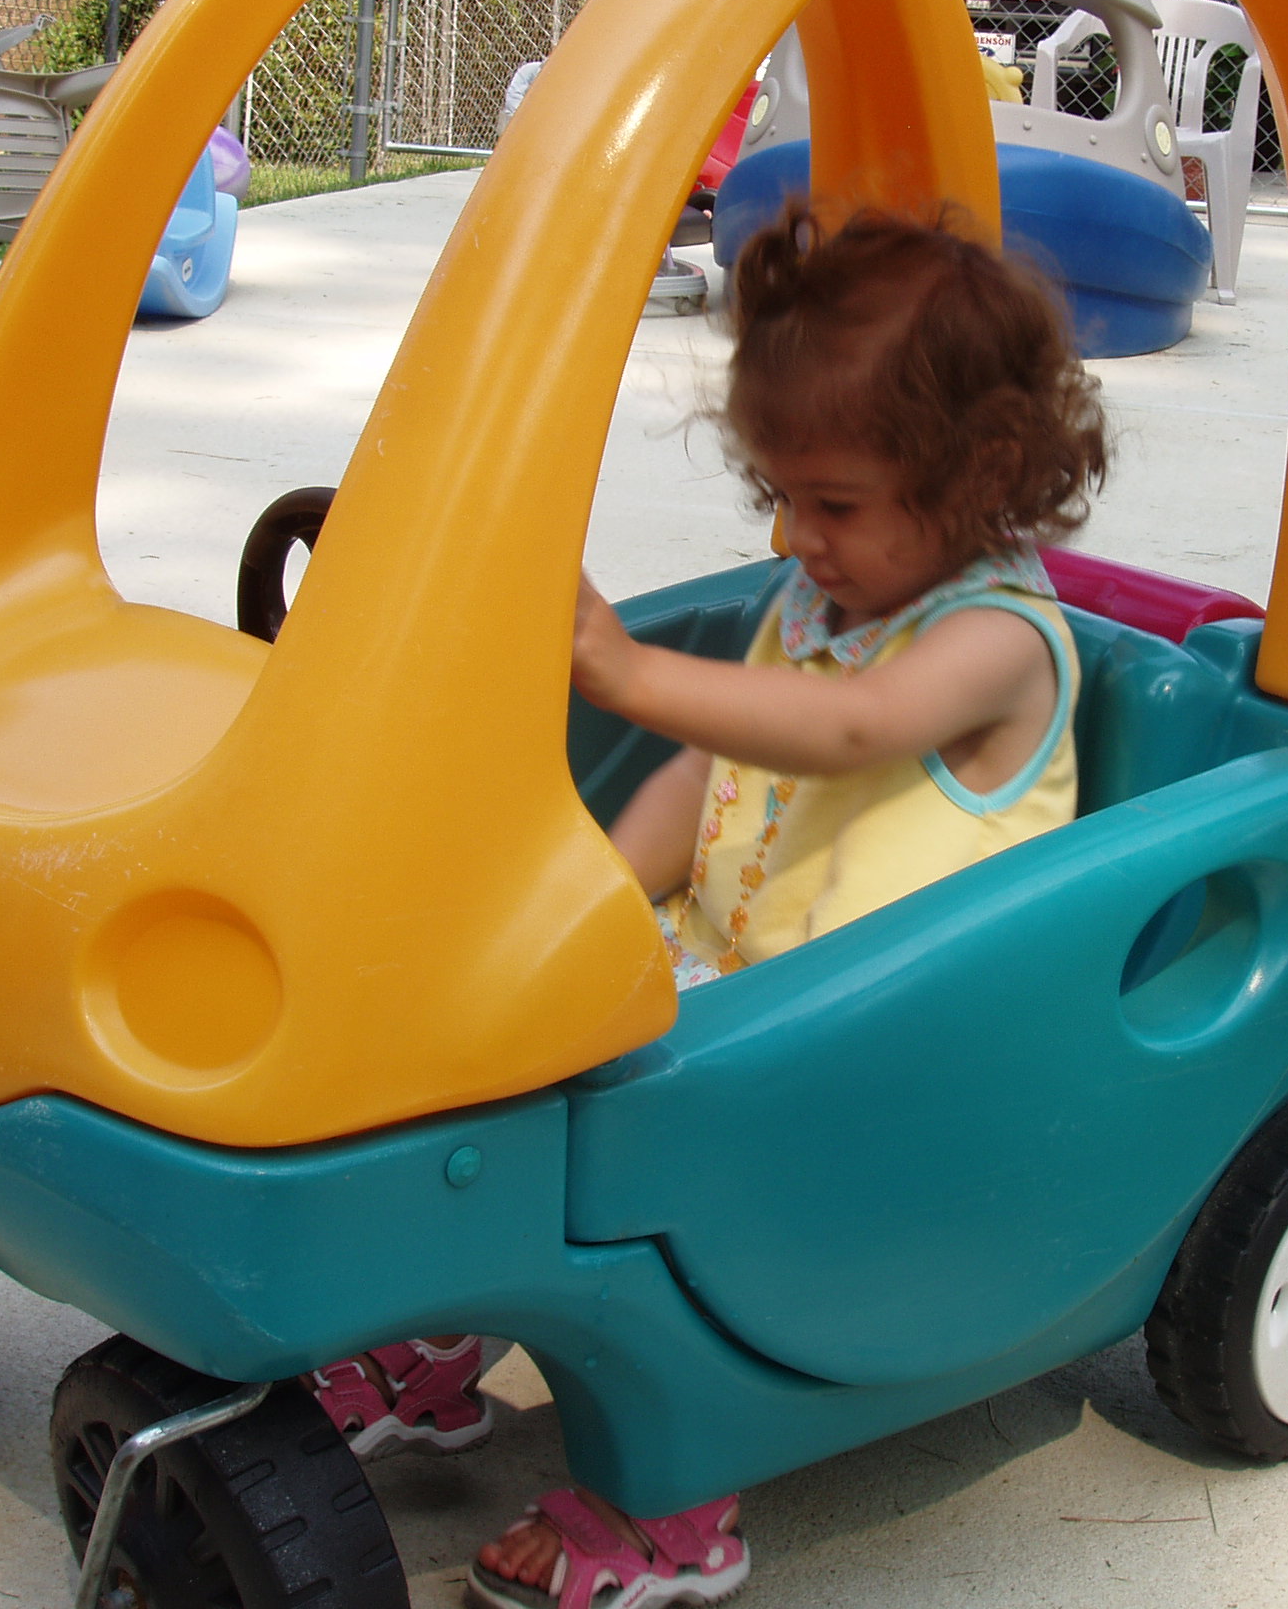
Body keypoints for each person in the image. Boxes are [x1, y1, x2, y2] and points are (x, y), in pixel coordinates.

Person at [321, 203, 1111, 1609]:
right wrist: (590, 904)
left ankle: (675, 1506)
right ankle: (436, 1334)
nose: (796, 535)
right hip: (739, 982)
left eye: (835, 505)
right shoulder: (815, 603)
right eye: (781, 496)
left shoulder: (997, 640)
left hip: (888, 1041)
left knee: (674, 1187)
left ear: (978, 477)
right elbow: (713, 766)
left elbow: (857, 731)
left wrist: (621, 671)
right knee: (491, 1052)